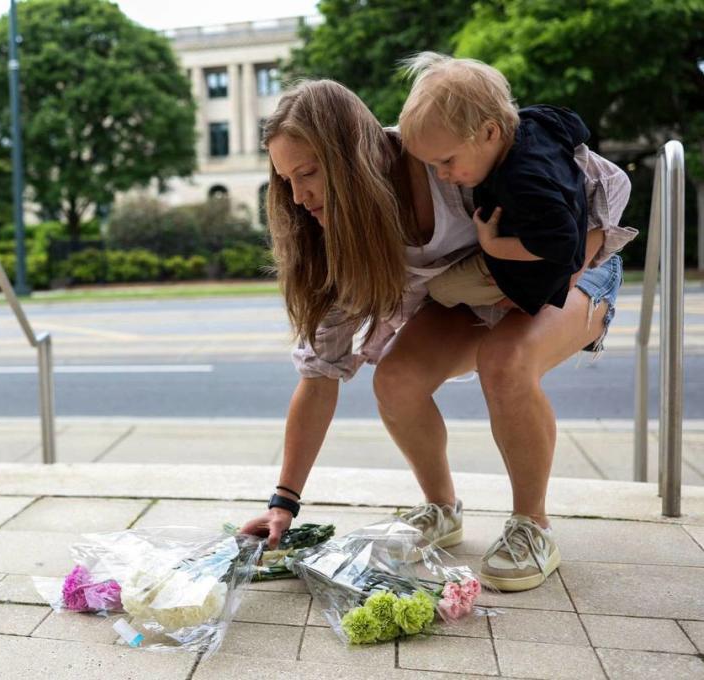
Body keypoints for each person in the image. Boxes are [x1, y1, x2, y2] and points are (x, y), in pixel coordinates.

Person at [239, 78, 635, 592]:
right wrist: (283, 502)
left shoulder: (441, 151)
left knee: (505, 361)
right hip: (473, 290)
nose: (297, 195)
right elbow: (318, 375)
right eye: (286, 179)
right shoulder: (337, 232)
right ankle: (441, 510)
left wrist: (560, 272)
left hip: (579, 265)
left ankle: (532, 527)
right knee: (396, 379)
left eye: (309, 173)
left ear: (350, 156)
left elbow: (605, 186)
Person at [400, 53, 590, 316]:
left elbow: (561, 244)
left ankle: (517, 301)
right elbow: (577, 127)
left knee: (440, 290)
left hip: (541, 275)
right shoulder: (538, 119)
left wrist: (492, 245)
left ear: (490, 132)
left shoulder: (521, 182)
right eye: (433, 166)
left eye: (446, 161)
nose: (441, 175)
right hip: (549, 249)